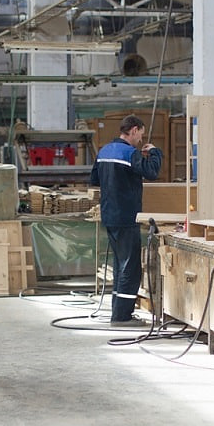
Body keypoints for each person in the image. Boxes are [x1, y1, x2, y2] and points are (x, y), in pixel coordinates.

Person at [90, 115, 163, 326]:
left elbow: (95, 180)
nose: (141, 138)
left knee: (120, 264)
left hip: (110, 216)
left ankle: (118, 312)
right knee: (130, 268)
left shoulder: (104, 151)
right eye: (140, 133)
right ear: (133, 130)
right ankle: (122, 317)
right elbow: (152, 172)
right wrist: (155, 153)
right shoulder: (129, 153)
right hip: (127, 216)